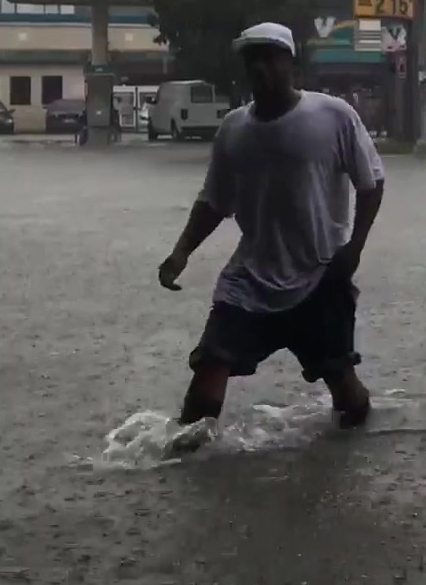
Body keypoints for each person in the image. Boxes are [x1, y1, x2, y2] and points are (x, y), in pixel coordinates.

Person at [156, 22, 387, 439]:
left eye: (269, 58)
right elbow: (214, 200)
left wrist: (353, 248)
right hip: (250, 281)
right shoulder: (233, 129)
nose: (260, 68)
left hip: (320, 277)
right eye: (251, 61)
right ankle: (182, 465)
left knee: (346, 392)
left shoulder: (333, 116)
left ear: (290, 63)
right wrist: (181, 252)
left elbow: (371, 183)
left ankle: (355, 452)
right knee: (210, 365)